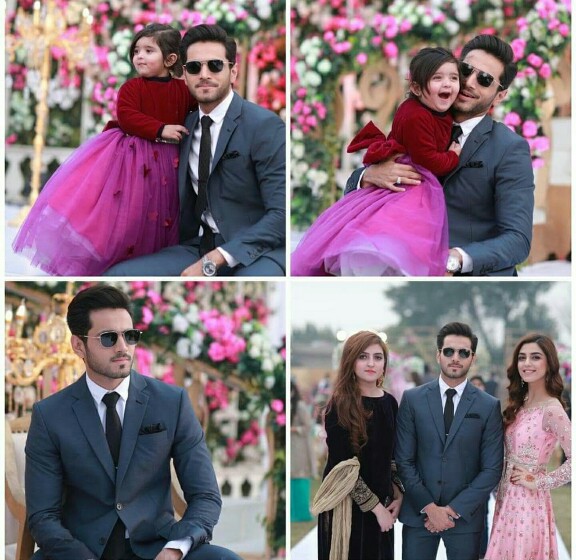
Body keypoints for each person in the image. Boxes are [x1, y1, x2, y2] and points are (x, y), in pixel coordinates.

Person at [25, 285, 241, 560]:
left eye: (130, 335)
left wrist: (176, 549)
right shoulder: (49, 415)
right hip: (79, 551)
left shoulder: (171, 402)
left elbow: (206, 496)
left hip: (157, 547)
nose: (123, 347)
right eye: (108, 338)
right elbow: (43, 516)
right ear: (78, 345)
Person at [13, 24, 195, 275]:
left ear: (171, 58)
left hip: (167, 162)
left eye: (148, 50)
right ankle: (111, 261)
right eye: (136, 51)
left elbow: (196, 113)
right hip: (132, 161)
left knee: (158, 215)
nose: (139, 56)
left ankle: (149, 263)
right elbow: (127, 116)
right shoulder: (132, 88)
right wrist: (160, 128)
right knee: (126, 217)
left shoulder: (183, 90)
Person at [345, 34, 534, 276]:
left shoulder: (509, 148)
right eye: (466, 70)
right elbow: (361, 194)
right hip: (400, 267)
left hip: (466, 279)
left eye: (485, 79)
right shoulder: (416, 117)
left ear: (500, 95)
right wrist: (368, 176)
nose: (469, 82)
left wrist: (455, 260)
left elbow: (518, 240)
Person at [106, 24, 286, 277]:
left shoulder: (264, 125)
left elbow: (281, 214)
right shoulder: (184, 125)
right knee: (117, 274)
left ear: (233, 71)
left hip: (258, 254)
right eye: (194, 67)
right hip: (198, 247)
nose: (204, 74)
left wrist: (218, 258)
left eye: (215, 65)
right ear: (184, 73)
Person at [292, 47, 461, 276]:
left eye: (454, 78)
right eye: (438, 78)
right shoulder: (416, 115)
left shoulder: (443, 112)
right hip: (412, 181)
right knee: (387, 247)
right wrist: (453, 156)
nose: (448, 84)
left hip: (437, 210)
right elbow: (428, 159)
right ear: (416, 88)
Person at [395, 322, 503, 560]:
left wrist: (452, 511)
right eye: (449, 351)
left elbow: (492, 469)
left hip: (465, 519)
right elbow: (403, 460)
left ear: (472, 358)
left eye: (463, 352)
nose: (456, 358)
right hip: (418, 514)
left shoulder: (489, 405)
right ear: (438, 354)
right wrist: (430, 508)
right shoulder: (412, 399)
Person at [313, 331, 404, 560]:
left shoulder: (390, 403)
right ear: (350, 361)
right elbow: (342, 466)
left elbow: (391, 455)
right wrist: (377, 509)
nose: (371, 363)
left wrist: (398, 493)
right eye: (363, 357)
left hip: (383, 500)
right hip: (347, 504)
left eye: (378, 357)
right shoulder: (339, 405)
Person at [485, 334, 571, 560]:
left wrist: (539, 482)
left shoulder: (552, 409)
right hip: (505, 498)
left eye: (535, 357)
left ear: (549, 363)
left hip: (528, 503)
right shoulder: (519, 405)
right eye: (522, 357)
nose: (527, 363)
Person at [290, 380, 317, 522]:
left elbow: (308, 426)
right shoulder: (285, 406)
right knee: (291, 479)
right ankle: (292, 513)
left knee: (300, 478)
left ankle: (301, 513)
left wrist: (294, 429)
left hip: (299, 446)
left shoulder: (299, 406)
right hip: (290, 446)